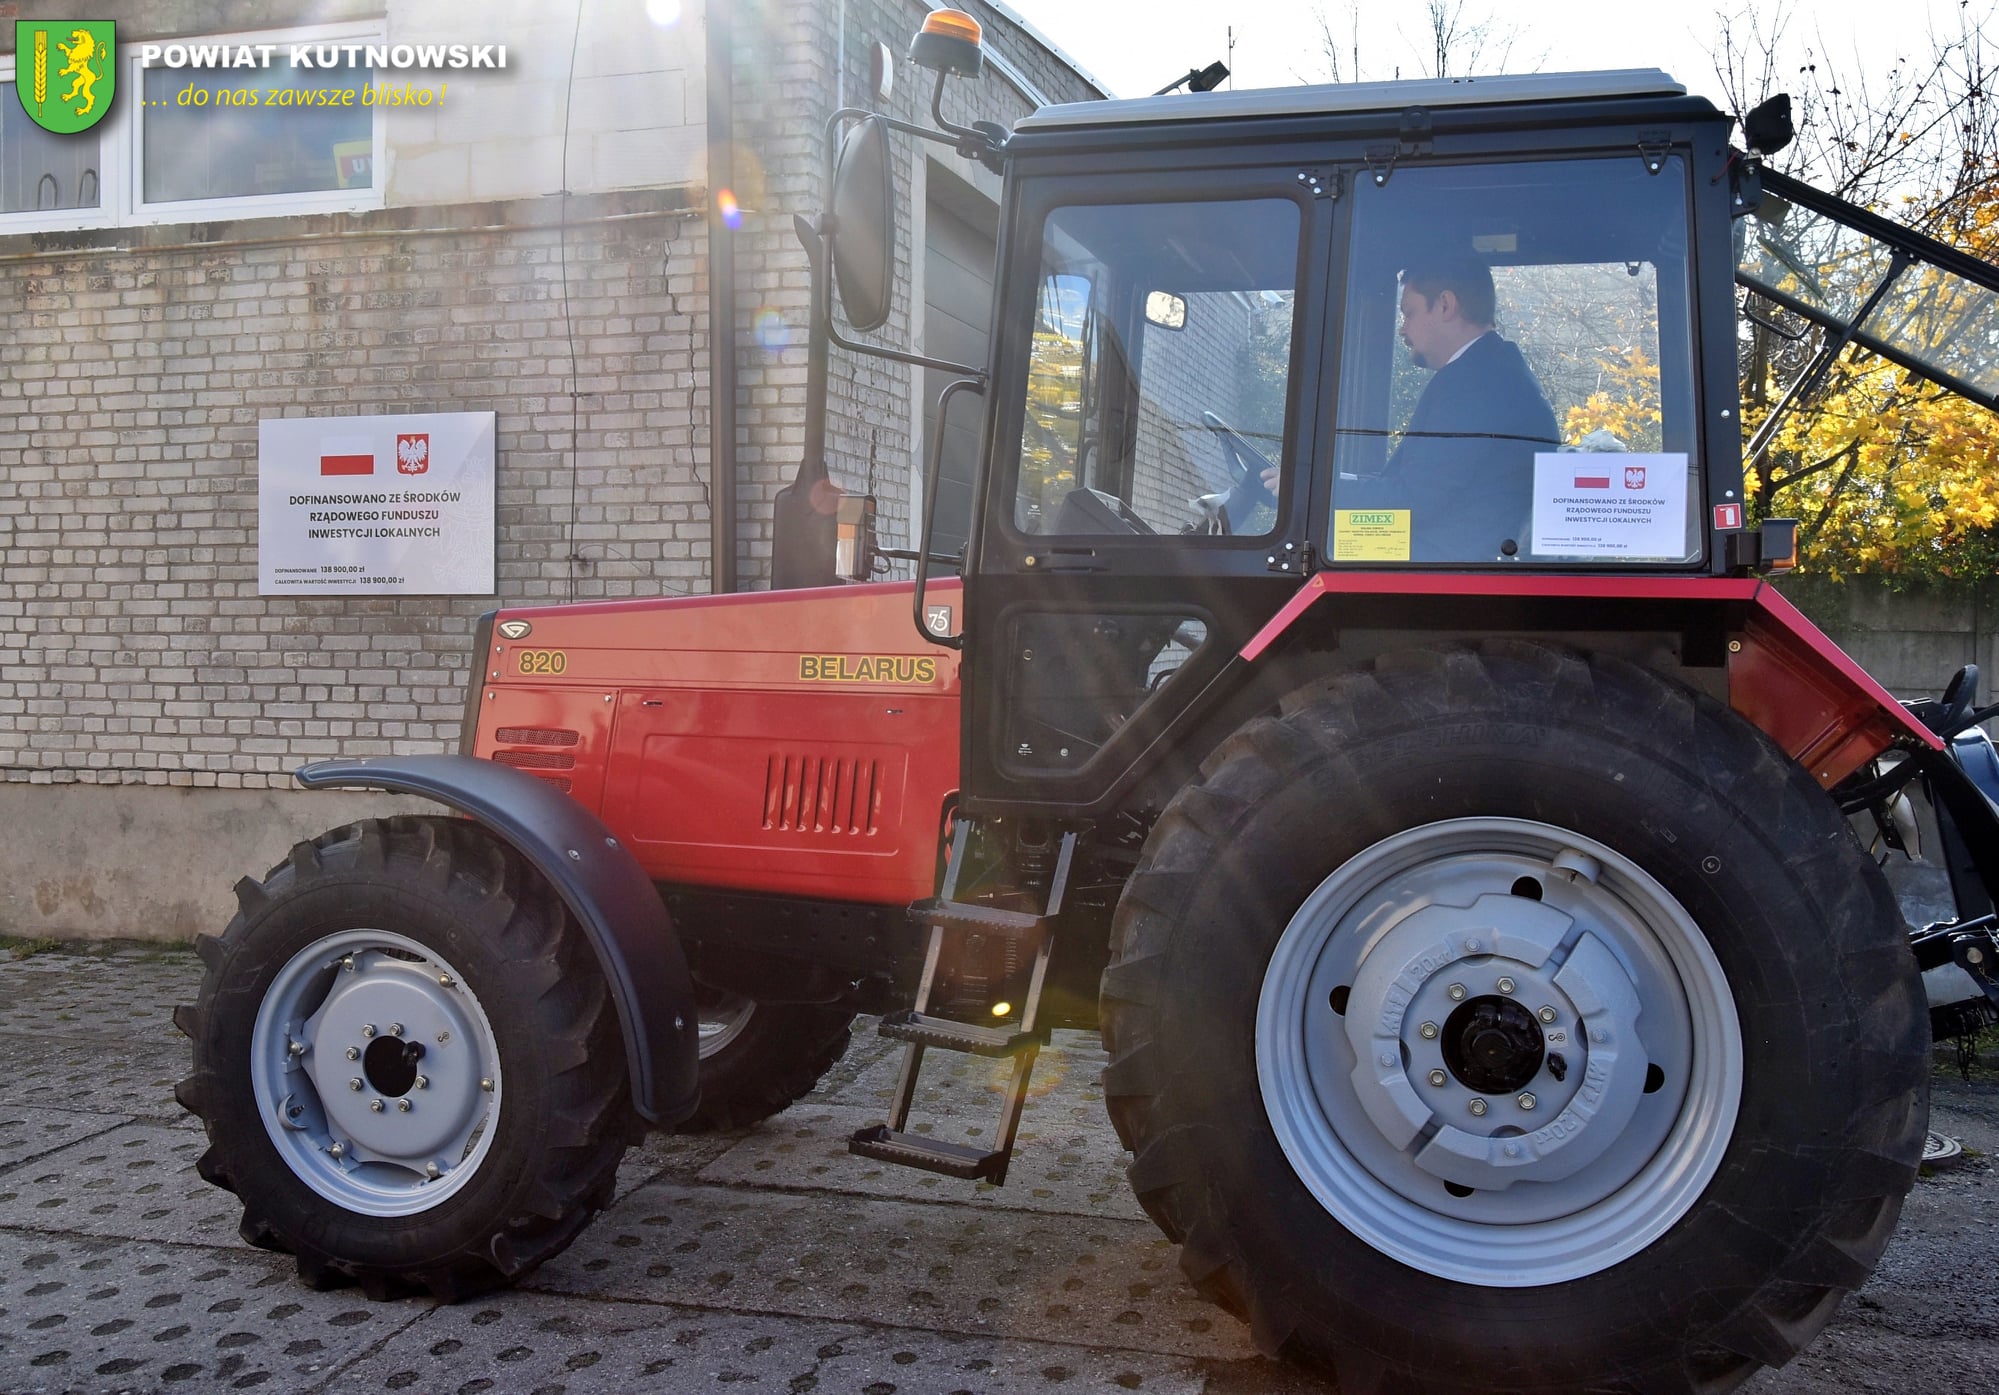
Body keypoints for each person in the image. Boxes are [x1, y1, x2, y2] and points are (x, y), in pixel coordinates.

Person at [1343, 257, 1559, 560]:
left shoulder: (1477, 385)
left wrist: (1318, 496)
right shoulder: (1492, 372)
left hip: (1453, 572)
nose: (1403, 330)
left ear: (1445, 305)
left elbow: (1414, 502)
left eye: (1409, 313)